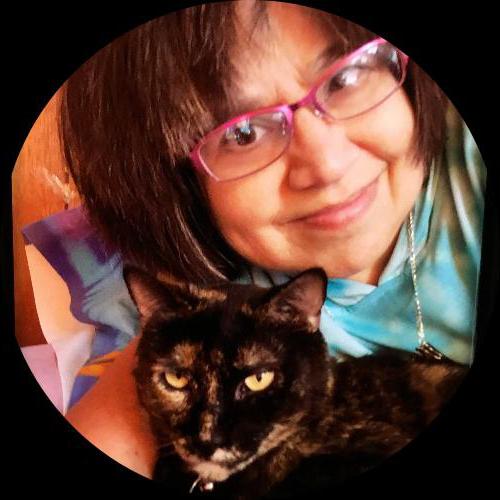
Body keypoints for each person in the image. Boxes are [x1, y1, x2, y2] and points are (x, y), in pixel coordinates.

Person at [58, 1, 485, 479]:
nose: (328, 166)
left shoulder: (470, 168)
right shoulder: (212, 304)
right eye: (242, 133)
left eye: (345, 78)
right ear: (175, 189)